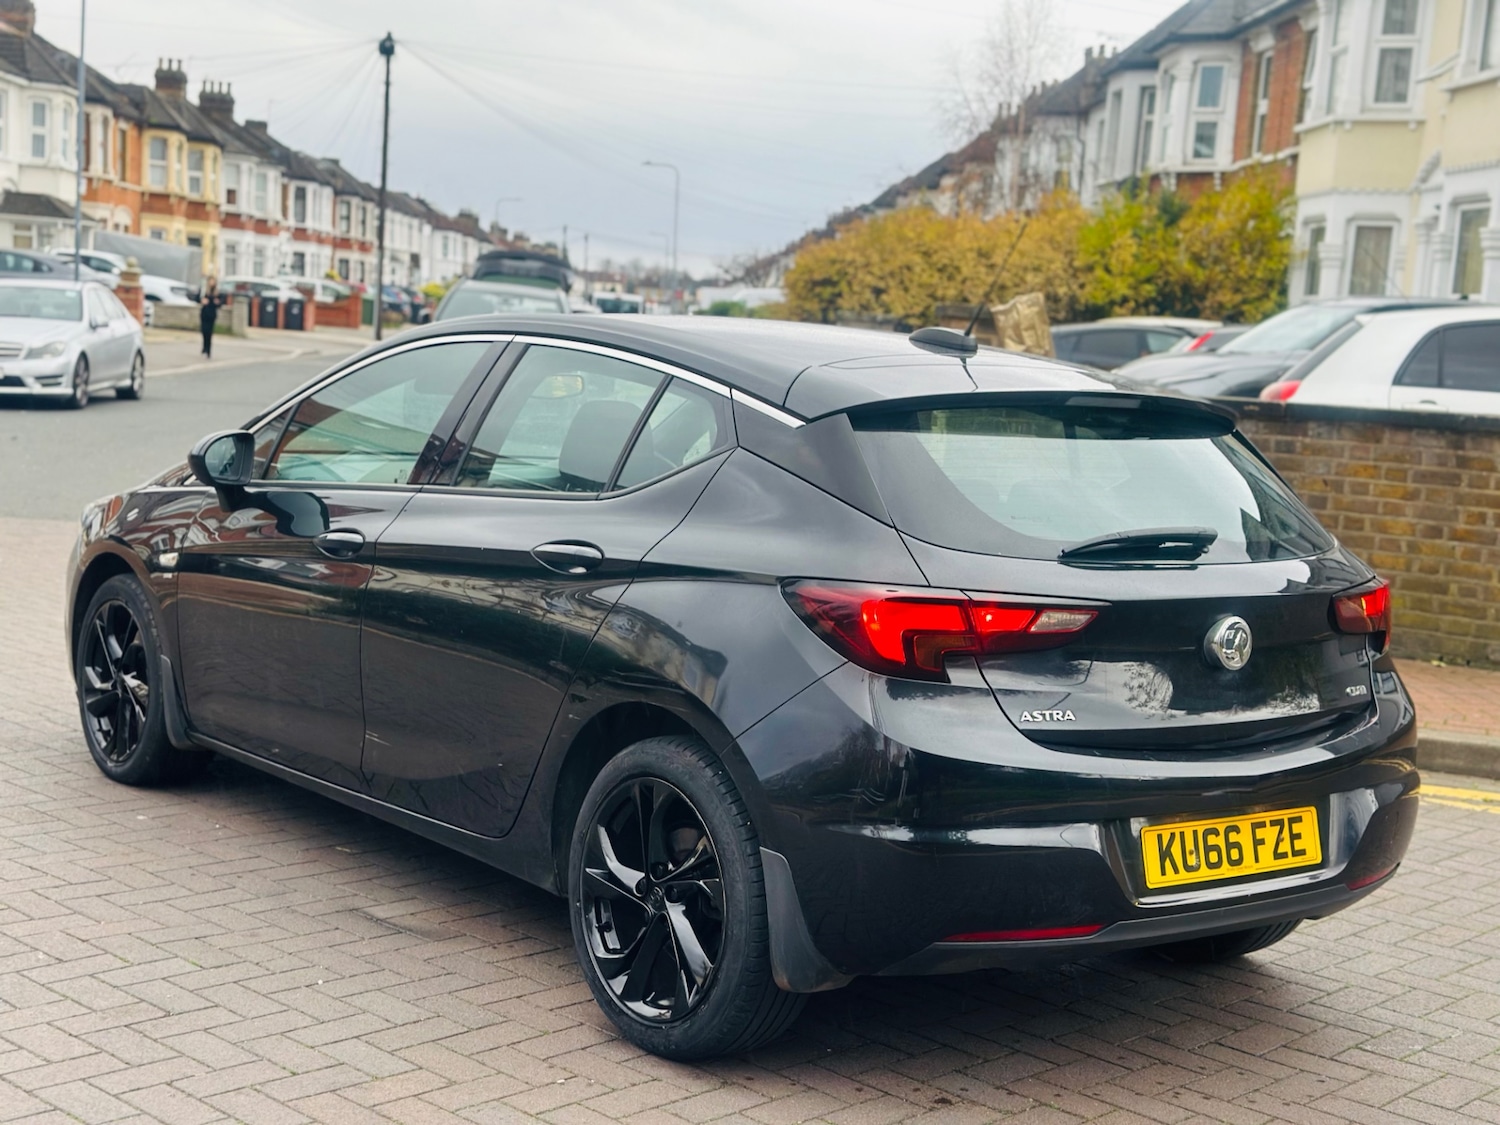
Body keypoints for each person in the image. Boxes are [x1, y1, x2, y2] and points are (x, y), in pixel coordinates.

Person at [199, 278, 222, 358]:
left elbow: (220, 303)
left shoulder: (217, 292)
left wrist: (218, 303)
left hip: (212, 314)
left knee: (209, 332)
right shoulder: (204, 291)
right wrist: (202, 301)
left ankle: (208, 350)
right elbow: (197, 298)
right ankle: (204, 347)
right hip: (204, 313)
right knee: (204, 331)